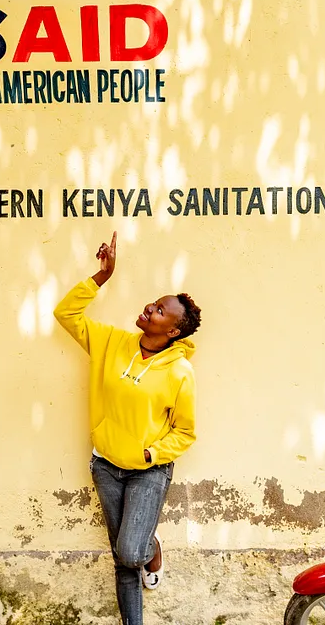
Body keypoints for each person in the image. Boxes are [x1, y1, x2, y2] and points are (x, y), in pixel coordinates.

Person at [53, 231, 202, 625]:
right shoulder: (111, 342)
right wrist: (101, 277)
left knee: (131, 553)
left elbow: (185, 432)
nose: (149, 309)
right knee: (122, 560)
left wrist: (151, 454)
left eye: (159, 311)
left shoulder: (179, 372)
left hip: (148, 471)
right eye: (152, 304)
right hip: (106, 464)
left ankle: (151, 547)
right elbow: (65, 315)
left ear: (172, 331)